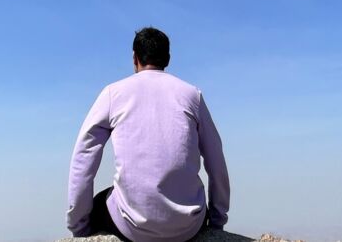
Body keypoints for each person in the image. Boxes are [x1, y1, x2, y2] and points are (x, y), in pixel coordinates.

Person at [66, 26, 230, 242]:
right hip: (189, 225)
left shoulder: (113, 93)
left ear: (135, 58)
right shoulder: (192, 95)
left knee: (99, 203)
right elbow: (216, 159)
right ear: (168, 59)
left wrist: (78, 227)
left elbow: (84, 157)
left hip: (131, 226)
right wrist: (217, 221)